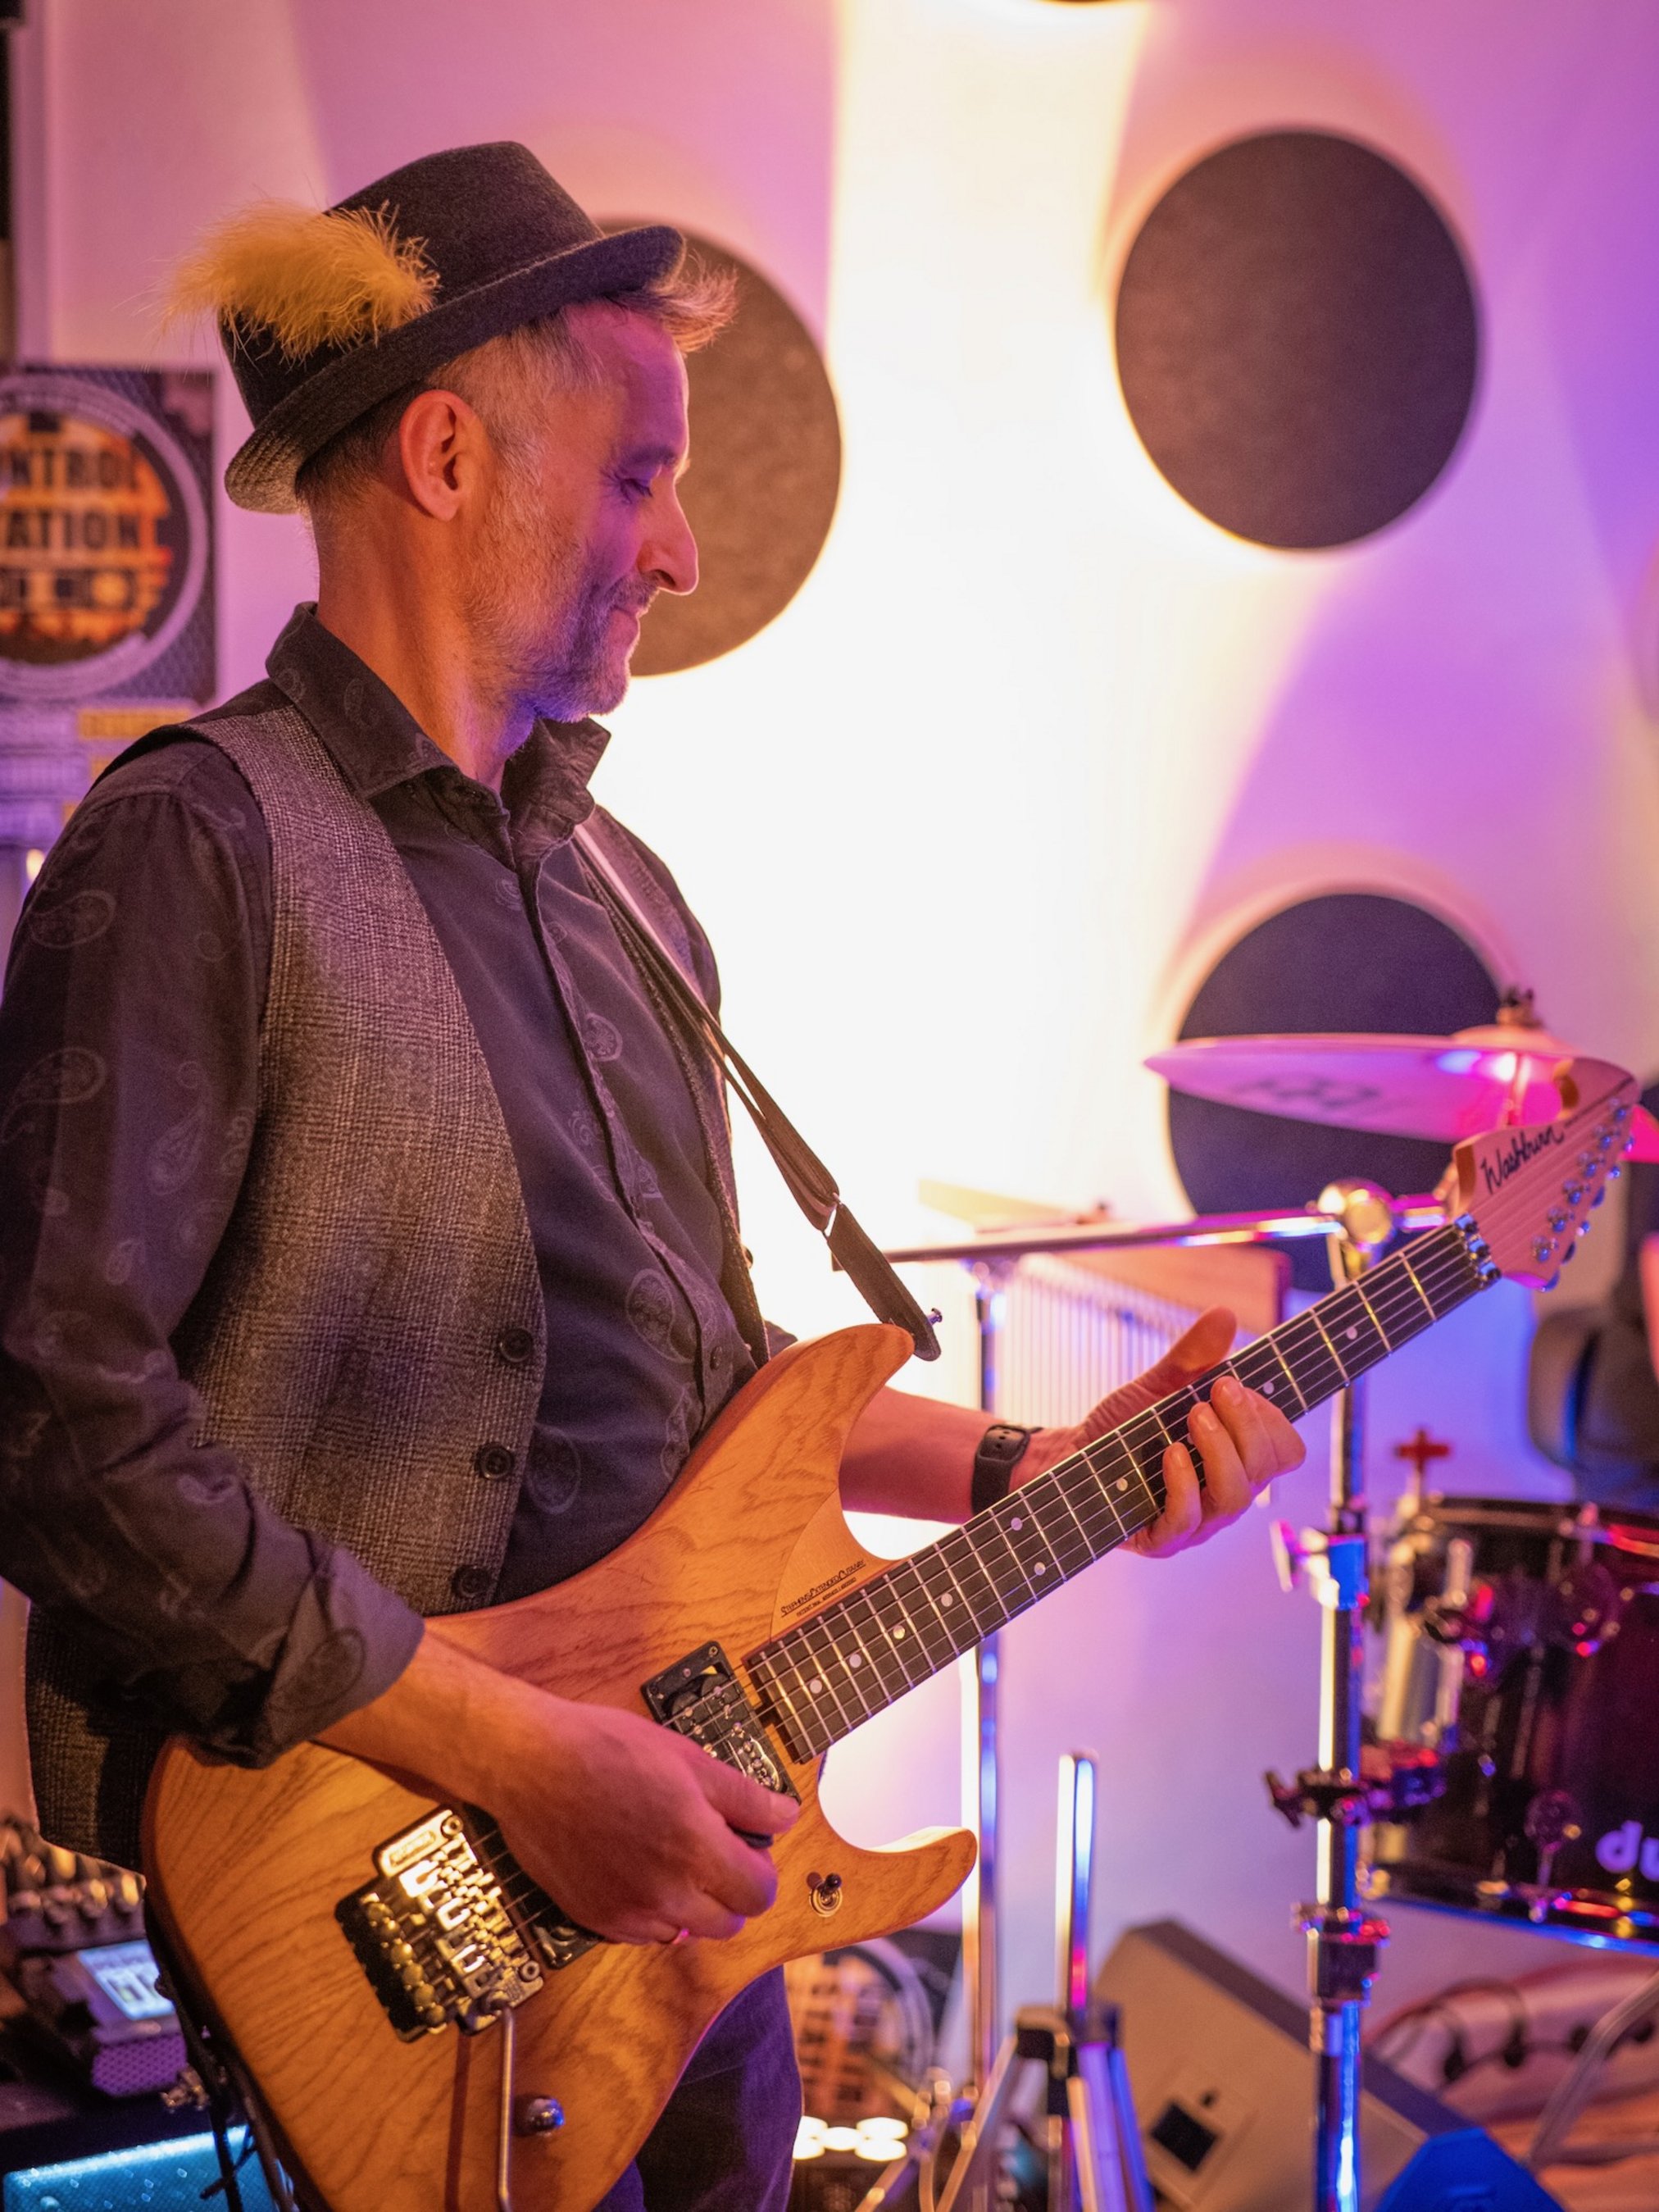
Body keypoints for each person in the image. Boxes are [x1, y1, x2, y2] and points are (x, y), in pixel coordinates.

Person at [0, 143, 1303, 2210]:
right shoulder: (195, 846)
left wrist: (1034, 1464)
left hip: (688, 1908)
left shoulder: (629, 894)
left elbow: (716, 1375)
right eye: (638, 476)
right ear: (446, 454)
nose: (680, 549)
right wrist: (524, 1757)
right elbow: (58, 1423)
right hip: (381, 1911)